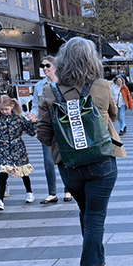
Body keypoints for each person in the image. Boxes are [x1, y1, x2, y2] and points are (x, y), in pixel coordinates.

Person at [37, 37, 126, 266]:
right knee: (95, 216)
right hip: (101, 162)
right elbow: (113, 115)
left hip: (70, 166)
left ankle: (97, 261)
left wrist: (62, 147)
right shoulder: (101, 86)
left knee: (85, 211)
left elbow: (42, 131)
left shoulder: (50, 91)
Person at [34, 55, 73, 204]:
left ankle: (68, 189)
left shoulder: (64, 84)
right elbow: (35, 105)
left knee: (66, 158)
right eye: (42, 66)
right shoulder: (40, 86)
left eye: (47, 65)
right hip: (46, 126)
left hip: (63, 126)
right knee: (48, 160)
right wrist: (33, 115)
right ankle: (52, 192)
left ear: (55, 67)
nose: (44, 68)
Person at [0, 95, 37, 210]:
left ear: (12, 106)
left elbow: (31, 132)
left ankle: (29, 192)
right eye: (1, 109)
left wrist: (33, 123)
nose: (4, 112)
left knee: (24, 173)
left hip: (18, 149)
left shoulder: (19, 119)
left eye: (6, 109)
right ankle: (0, 200)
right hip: (3, 150)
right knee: (3, 173)